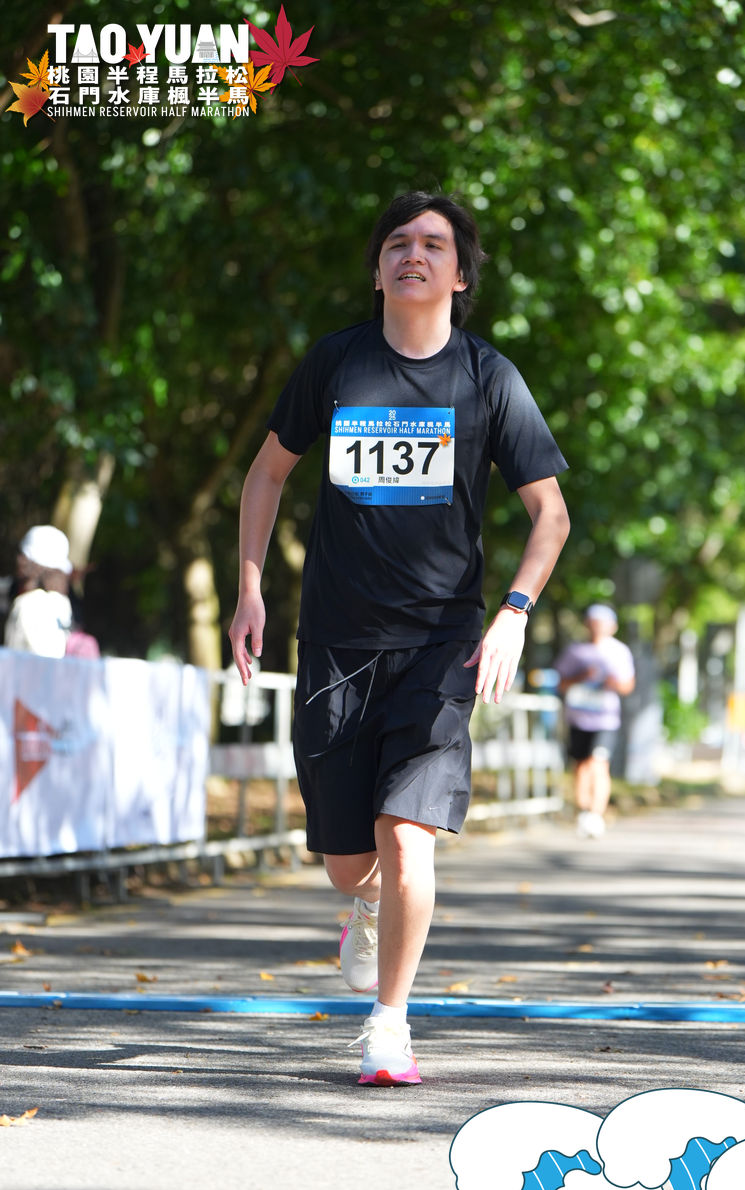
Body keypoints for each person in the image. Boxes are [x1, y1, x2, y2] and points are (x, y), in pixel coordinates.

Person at [228, 190, 570, 1086]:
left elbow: (551, 514)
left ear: (459, 276)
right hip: (336, 643)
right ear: (377, 271)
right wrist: (250, 589)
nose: (412, 253)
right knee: (351, 866)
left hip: (440, 647)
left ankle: (390, 1025)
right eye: (397, 243)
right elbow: (265, 477)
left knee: (408, 835)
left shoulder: (489, 378)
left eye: (433, 244)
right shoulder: (335, 364)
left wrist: (514, 612)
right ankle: (370, 903)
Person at [555, 604, 635, 838]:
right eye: (593, 622)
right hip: (578, 718)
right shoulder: (575, 651)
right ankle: (583, 812)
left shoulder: (619, 651)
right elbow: (560, 684)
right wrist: (582, 677)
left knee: (598, 763)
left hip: (606, 720)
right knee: (581, 766)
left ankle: (596, 814)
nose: (598, 627)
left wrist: (612, 682)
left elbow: (628, 685)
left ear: (613, 626)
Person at [3, 525, 73, 658]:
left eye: (24, 555)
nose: (19, 560)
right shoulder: (62, 602)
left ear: (39, 565)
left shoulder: (29, 605)